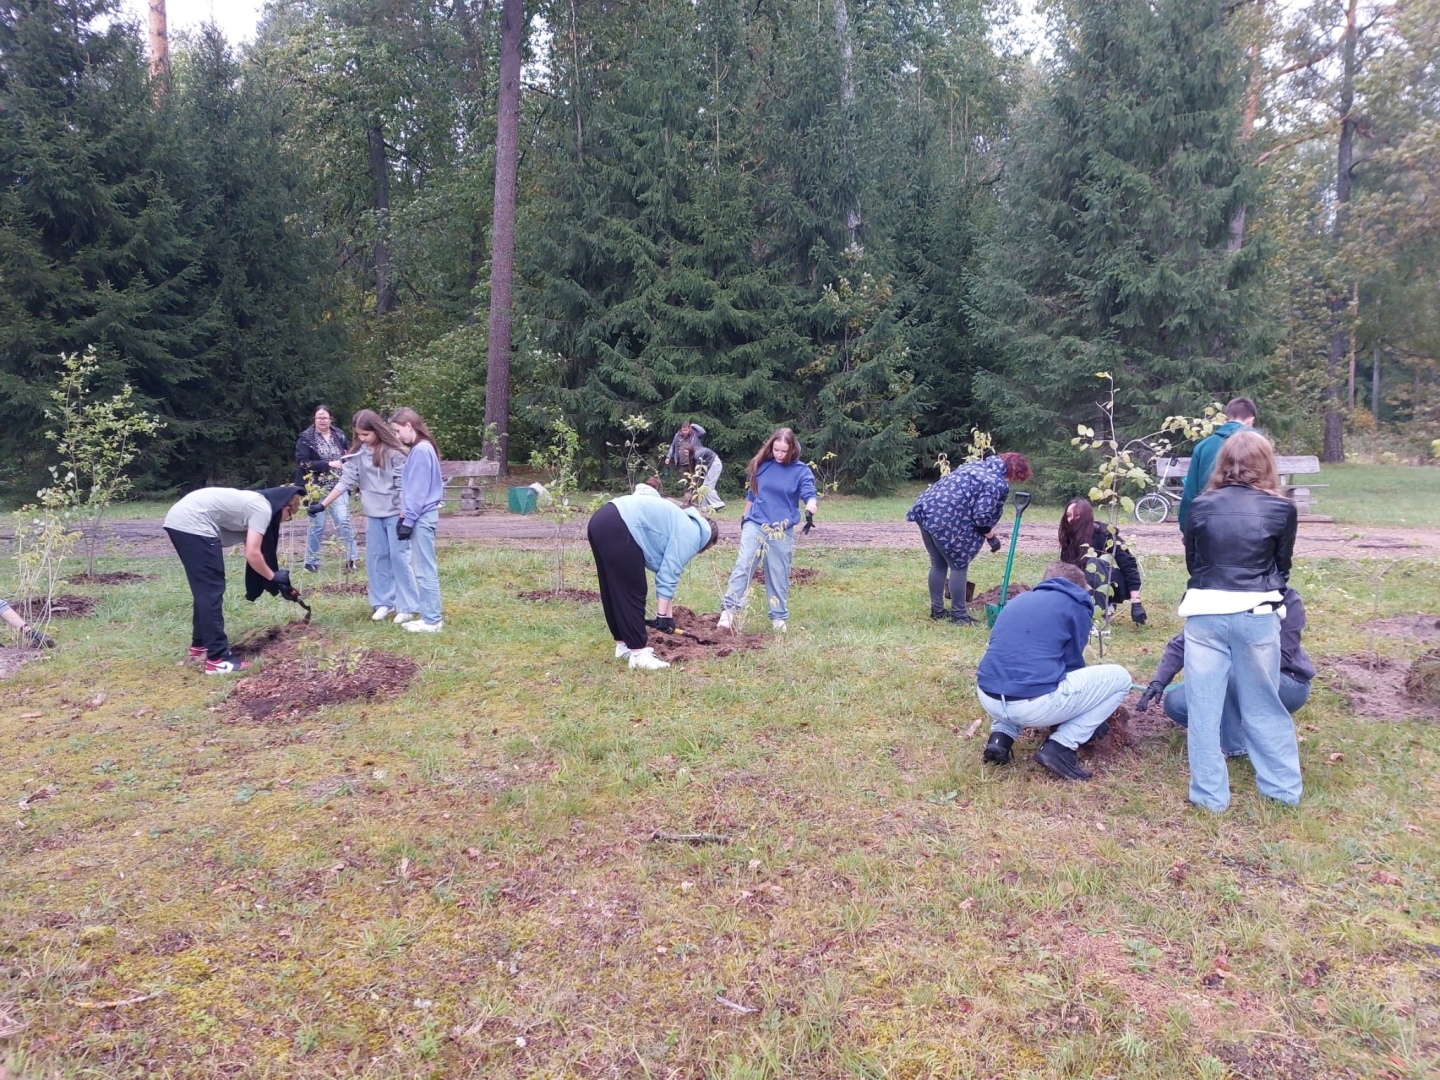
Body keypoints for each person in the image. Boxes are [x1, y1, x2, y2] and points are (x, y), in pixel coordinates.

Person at [1176, 428, 1301, 813]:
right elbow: (1282, 567)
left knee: (1203, 706)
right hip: (1256, 613)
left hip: (1205, 613)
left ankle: (1210, 797)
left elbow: (1194, 564)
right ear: (1266, 463)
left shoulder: (1200, 506)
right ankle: (1282, 790)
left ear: (1222, 463)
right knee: (1263, 703)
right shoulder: (1282, 509)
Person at [976, 561, 1131, 781]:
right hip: (1032, 705)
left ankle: (1000, 738)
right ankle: (1061, 747)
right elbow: (1072, 664)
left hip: (987, 696)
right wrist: (1086, 708)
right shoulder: (1076, 604)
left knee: (1018, 668)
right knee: (1121, 678)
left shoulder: (1018, 600)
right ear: (1079, 587)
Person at [1138, 586, 1314, 754]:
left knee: (1233, 676)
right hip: (1230, 679)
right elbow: (1183, 643)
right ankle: (1242, 733)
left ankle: (1234, 747)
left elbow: (1282, 655)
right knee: (1177, 703)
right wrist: (1159, 681)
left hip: (1285, 681)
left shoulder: (1284, 596)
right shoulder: (1220, 596)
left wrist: (1225, 666)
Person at [162, 486, 305, 673]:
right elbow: (252, 554)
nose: (287, 519)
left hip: (180, 519)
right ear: (285, 507)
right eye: (290, 516)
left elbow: (255, 548)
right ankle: (218, 659)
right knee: (211, 589)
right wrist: (273, 576)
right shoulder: (263, 509)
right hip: (194, 523)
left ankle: (200, 645)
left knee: (205, 589)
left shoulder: (256, 502)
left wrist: (274, 579)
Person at [586, 492, 720, 670]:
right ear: (709, 541)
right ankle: (639, 654)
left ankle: (623, 645)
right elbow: (668, 575)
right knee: (633, 590)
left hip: (603, 519)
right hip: (621, 524)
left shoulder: (683, 522)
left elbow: (666, 570)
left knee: (613, 587)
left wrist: (667, 617)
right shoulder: (693, 536)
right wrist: (662, 617)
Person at [310, 410, 420, 625]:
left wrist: (404, 515)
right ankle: (382, 603)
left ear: (377, 431)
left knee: (399, 558)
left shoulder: (395, 452)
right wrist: (323, 504)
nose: (362, 439)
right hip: (374, 515)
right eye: (358, 435)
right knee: (376, 558)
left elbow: (402, 485)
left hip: (396, 514)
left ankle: (407, 606)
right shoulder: (358, 454)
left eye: (366, 435)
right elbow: (346, 480)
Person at [906, 451, 1032, 625]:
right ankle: (959, 616)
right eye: (1015, 477)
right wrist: (991, 537)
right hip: (944, 520)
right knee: (959, 565)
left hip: (926, 510)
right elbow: (981, 517)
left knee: (938, 564)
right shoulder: (996, 482)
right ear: (1012, 471)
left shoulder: (976, 465)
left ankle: (937, 610)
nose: (1012, 481)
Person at [716, 428, 818, 633]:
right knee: (744, 565)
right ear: (771, 446)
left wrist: (811, 505)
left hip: (781, 529)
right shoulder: (762, 465)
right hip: (756, 524)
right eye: (776, 449)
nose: (779, 454)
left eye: (784, 451)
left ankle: (778, 618)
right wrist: (745, 519)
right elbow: (752, 494)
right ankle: (728, 612)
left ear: (792, 450)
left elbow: (809, 492)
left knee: (778, 573)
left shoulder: (800, 470)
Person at [390, 407, 445, 633]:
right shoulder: (419, 449)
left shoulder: (421, 450)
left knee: (424, 569)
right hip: (419, 516)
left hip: (422, 517)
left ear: (409, 426)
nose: (397, 436)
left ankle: (432, 620)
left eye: (398, 430)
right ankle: (429, 616)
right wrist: (405, 515)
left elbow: (419, 491)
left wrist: (408, 520)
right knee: (422, 567)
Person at [1058, 497, 1147, 625]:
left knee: (1093, 563)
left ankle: (1102, 612)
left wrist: (1136, 602)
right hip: (1082, 586)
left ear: (1086, 517)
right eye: (1068, 515)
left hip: (1112, 585)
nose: (1070, 519)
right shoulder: (1069, 537)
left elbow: (1129, 566)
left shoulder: (1105, 535)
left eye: (1076, 516)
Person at [1177, 396, 1257, 534]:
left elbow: (1189, 496)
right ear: (1251, 420)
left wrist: (1187, 533)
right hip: (1252, 526)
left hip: (1209, 527)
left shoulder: (1203, 447)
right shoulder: (1261, 445)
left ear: (1225, 419)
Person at [295, 405, 359, 573]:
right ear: (314, 419)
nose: (322, 421)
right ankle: (311, 562)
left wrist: (347, 465)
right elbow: (303, 462)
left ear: (331, 419)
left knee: (343, 521)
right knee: (317, 525)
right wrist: (327, 464)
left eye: (325, 417)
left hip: (339, 485)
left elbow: (349, 454)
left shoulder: (339, 435)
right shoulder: (305, 438)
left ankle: (351, 560)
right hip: (315, 487)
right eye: (319, 418)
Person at [665, 421, 724, 510]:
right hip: (708, 465)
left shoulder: (697, 454)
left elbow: (698, 469)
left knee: (708, 487)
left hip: (715, 464)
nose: (685, 453)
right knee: (705, 486)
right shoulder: (679, 437)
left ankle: (718, 504)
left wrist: (695, 478)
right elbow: (673, 446)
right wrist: (669, 456)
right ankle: (705, 507)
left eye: (686, 452)